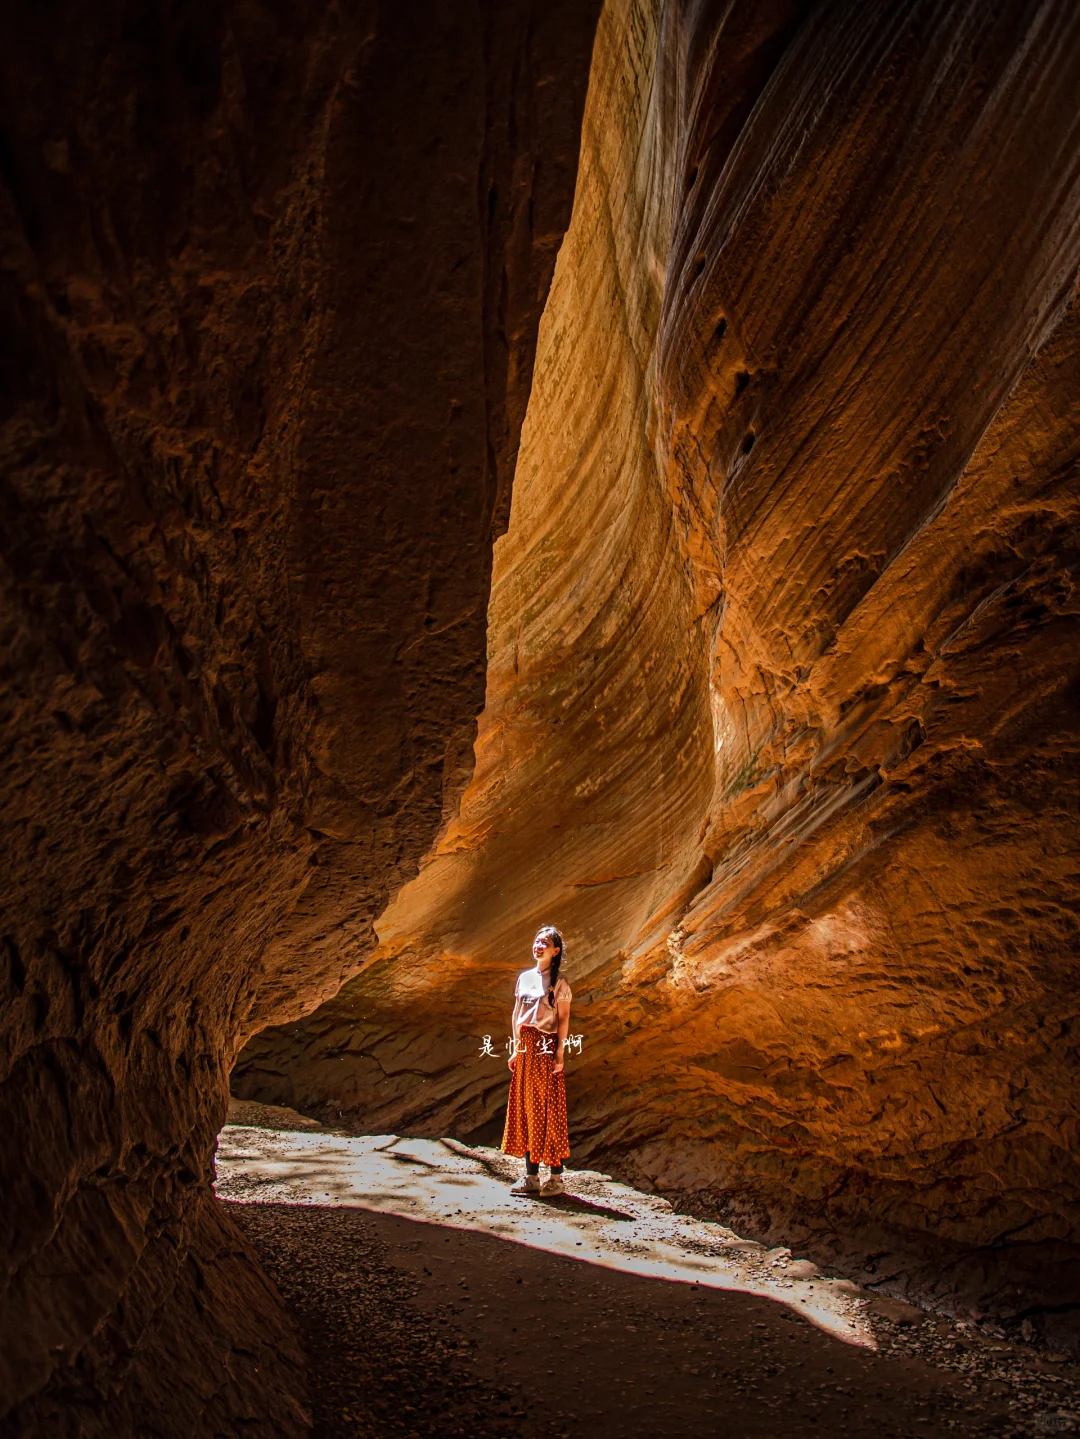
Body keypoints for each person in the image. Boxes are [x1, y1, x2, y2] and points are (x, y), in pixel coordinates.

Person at [501, 925, 572, 1195]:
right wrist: (516, 1047)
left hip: (545, 1047)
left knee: (549, 1110)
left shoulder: (560, 983)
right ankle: (531, 1177)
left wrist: (560, 1053)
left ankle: (555, 1178)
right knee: (527, 1109)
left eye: (545, 942)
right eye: (537, 941)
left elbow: (563, 1019)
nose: (538, 945)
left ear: (555, 951)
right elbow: (516, 1014)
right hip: (525, 1049)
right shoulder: (525, 978)